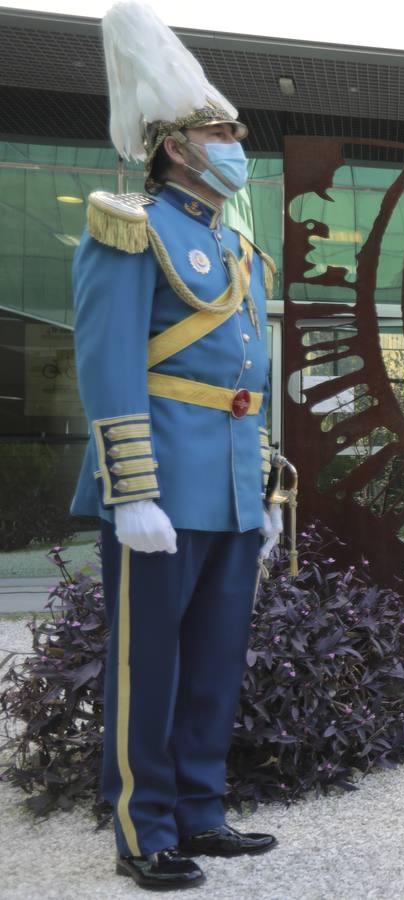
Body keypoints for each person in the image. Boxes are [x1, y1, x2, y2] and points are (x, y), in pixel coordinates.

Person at [70, 3, 282, 888]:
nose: (236, 142)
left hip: (229, 485)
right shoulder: (130, 223)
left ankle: (200, 810)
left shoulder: (236, 246)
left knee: (212, 665)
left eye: (233, 129)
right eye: (220, 129)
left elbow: (250, 384)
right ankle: (142, 827)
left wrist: (266, 489)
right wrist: (132, 491)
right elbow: (107, 362)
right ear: (177, 145)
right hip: (161, 484)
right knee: (147, 666)